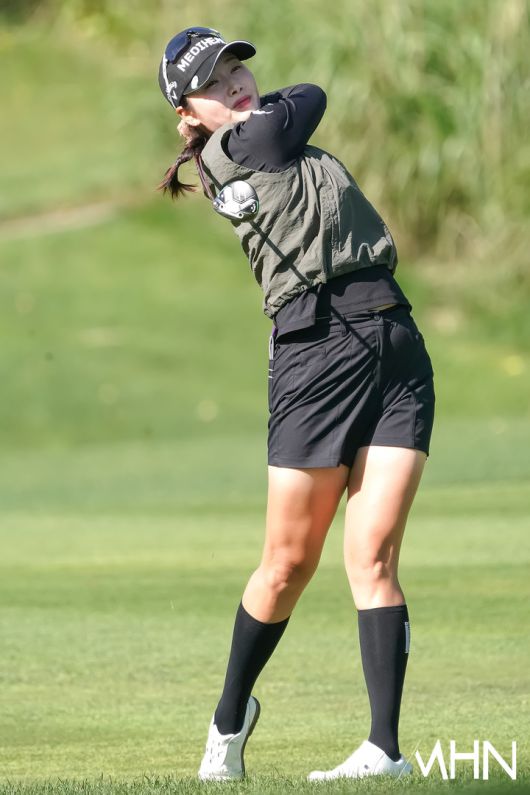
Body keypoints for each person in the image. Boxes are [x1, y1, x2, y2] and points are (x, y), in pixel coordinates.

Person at [157, 27, 435, 782]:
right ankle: (229, 719)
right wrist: (247, 115)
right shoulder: (237, 147)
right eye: (214, 83)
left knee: (373, 556)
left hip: (393, 338)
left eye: (236, 68)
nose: (236, 84)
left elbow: (296, 107)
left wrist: (248, 105)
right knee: (286, 565)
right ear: (188, 113)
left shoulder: (268, 135)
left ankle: (384, 749)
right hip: (315, 355)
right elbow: (310, 94)